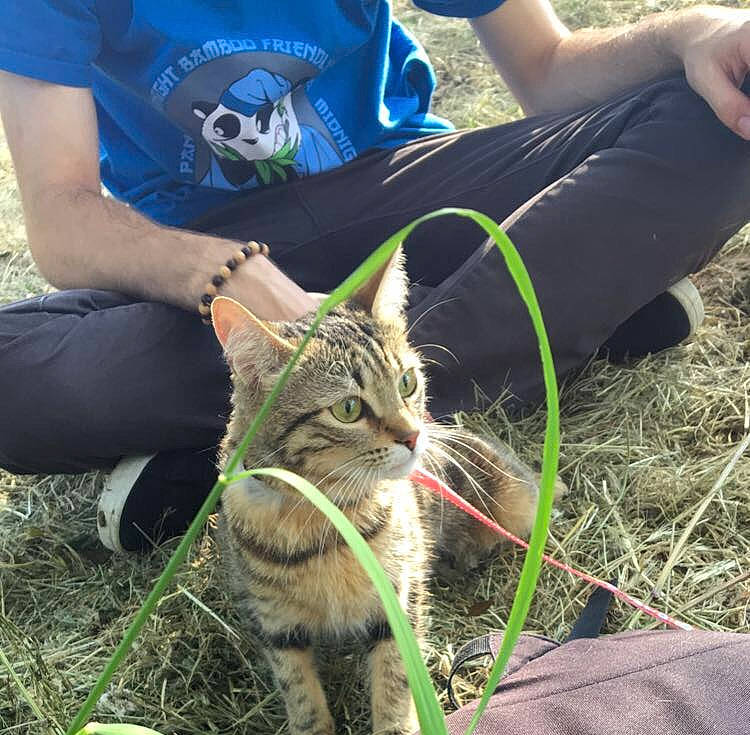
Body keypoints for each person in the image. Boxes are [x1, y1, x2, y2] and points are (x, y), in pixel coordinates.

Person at [0, 1, 749, 553]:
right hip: (202, 242)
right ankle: (562, 308)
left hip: (403, 194)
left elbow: (548, 71)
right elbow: (64, 219)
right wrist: (226, 271)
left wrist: (693, 34)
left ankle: (264, 458)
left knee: (722, 118)